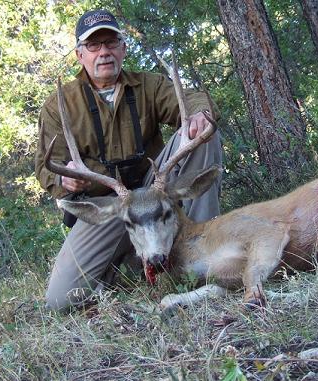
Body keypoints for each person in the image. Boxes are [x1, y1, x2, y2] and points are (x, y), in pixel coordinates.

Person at [35, 9, 222, 311]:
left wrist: (200, 112)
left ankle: (203, 259)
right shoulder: (60, 105)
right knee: (60, 301)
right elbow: (46, 168)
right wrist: (64, 178)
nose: (104, 53)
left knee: (200, 135)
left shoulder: (148, 85)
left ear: (123, 48)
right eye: (94, 46)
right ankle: (126, 264)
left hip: (155, 191)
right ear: (80, 54)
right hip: (109, 204)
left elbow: (192, 99)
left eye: (111, 43)